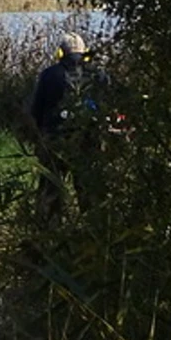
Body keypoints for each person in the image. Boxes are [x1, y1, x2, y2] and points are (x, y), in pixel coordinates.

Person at [27, 32, 108, 221]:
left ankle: (49, 227)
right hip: (88, 137)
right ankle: (93, 225)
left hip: (55, 138)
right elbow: (108, 103)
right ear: (85, 51)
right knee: (88, 188)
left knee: (51, 187)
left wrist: (38, 134)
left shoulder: (49, 74)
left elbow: (37, 109)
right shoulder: (98, 74)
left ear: (60, 53)